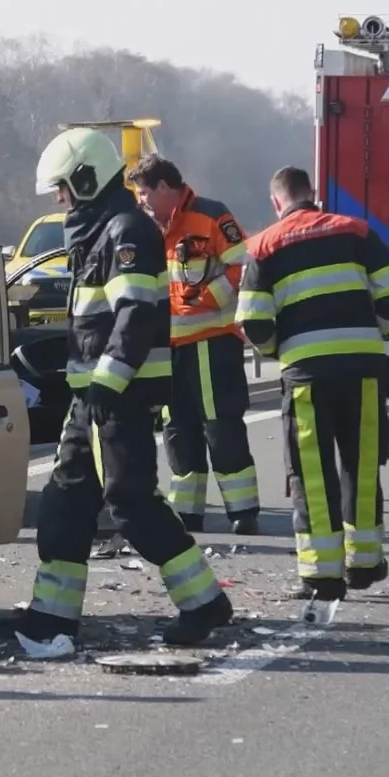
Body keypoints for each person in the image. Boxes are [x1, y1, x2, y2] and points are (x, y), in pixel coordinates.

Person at [14, 127, 234, 652]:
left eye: (63, 189)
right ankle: (52, 618)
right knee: (65, 503)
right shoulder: (101, 231)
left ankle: (206, 603)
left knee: (131, 502)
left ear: (87, 180)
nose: (60, 200)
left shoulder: (124, 231)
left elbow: (135, 316)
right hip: (91, 397)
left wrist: (107, 383)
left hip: (118, 396)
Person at [234, 166, 389, 602]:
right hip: (364, 367)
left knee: (312, 474)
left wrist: (282, 350)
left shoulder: (264, 245)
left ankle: (321, 577)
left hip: (307, 374)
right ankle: (365, 564)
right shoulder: (354, 230)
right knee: (362, 464)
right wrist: (377, 331)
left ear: (278, 202)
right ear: (311, 194)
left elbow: (251, 320)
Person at [126, 154, 261, 536]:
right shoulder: (145, 228)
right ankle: (188, 514)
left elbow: (245, 266)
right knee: (177, 430)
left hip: (211, 343)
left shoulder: (211, 215)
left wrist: (208, 297)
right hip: (168, 348)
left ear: (165, 188)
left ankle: (243, 511)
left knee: (221, 426)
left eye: (144, 194)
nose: (141, 202)